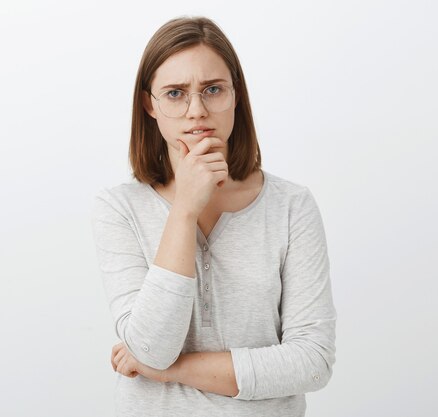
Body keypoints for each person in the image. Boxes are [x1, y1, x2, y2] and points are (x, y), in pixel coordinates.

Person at [90, 16, 336, 417]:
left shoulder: (292, 206)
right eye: (175, 93)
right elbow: (152, 345)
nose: (196, 111)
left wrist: (169, 371)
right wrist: (184, 210)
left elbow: (312, 363)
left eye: (213, 90)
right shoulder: (119, 209)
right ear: (149, 104)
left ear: (236, 95)